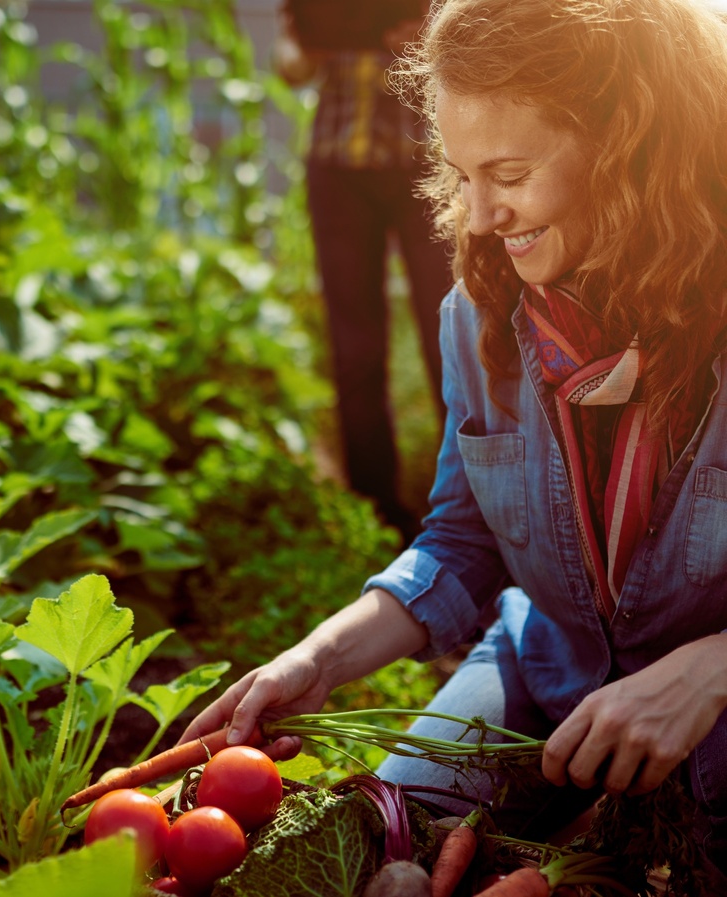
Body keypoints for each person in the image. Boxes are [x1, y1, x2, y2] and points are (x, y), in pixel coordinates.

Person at [186, 0, 727, 879]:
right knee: (380, 841)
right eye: (460, 175)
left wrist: (710, 669)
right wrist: (319, 657)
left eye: (508, 173)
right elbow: (463, 542)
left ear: (631, 147)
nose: (477, 217)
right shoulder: (481, 314)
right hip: (547, 669)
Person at [274, 0, 454, 546]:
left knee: (448, 332)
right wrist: (308, 49)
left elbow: (472, 48)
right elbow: (290, 63)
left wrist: (426, 36)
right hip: (338, 168)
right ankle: (377, 510)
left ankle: (465, 501)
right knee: (354, 346)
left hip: (423, 165)